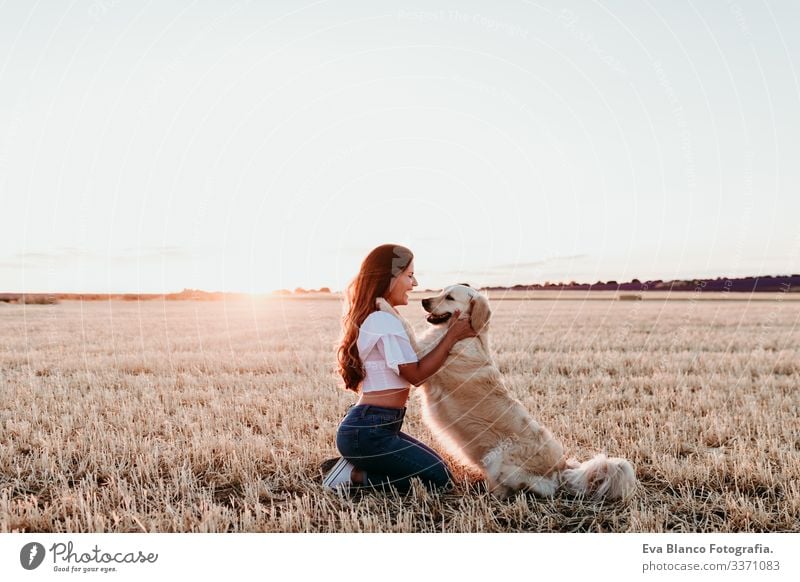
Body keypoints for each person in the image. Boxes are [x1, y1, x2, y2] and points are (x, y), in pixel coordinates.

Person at [322, 243, 477, 495]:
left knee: (442, 473)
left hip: (376, 427)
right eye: (409, 275)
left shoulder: (382, 316)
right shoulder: (382, 319)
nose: (414, 283)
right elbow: (415, 375)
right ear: (390, 277)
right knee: (438, 481)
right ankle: (354, 474)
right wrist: (452, 335)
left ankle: (358, 462)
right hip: (369, 429)